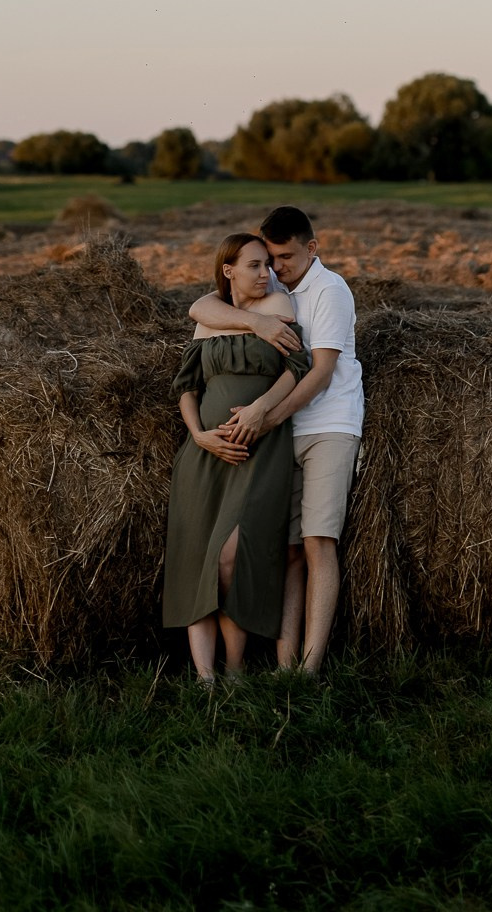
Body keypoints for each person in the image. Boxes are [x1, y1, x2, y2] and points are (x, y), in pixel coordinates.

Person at [188, 205, 364, 674]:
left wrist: (265, 417)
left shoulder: (330, 290)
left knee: (318, 542)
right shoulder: (274, 288)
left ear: (312, 248)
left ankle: (309, 668)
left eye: (285, 257)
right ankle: (284, 665)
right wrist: (257, 323)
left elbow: (319, 372)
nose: (276, 267)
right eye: (269, 259)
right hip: (287, 433)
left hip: (327, 427)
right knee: (287, 551)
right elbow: (201, 307)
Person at [162, 232, 310, 682]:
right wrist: (199, 435)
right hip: (204, 456)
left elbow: (297, 368)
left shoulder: (279, 308)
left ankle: (235, 666)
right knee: (197, 561)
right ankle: (208, 679)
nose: (267, 273)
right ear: (229, 271)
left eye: (268, 264)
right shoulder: (208, 317)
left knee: (231, 557)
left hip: (258, 451)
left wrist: (261, 408)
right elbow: (187, 387)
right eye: (255, 265)